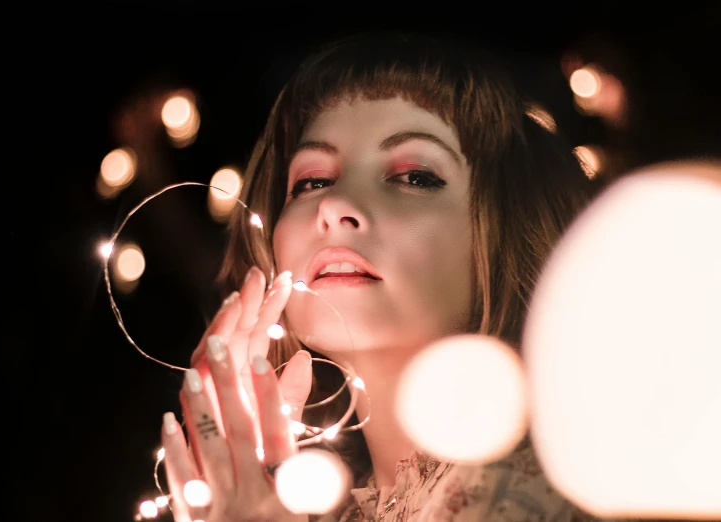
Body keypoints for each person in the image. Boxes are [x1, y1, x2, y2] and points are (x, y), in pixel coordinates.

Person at [159, 32, 606, 522]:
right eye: (312, 181)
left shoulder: (549, 486)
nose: (334, 205)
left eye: (415, 176)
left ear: (511, 229)